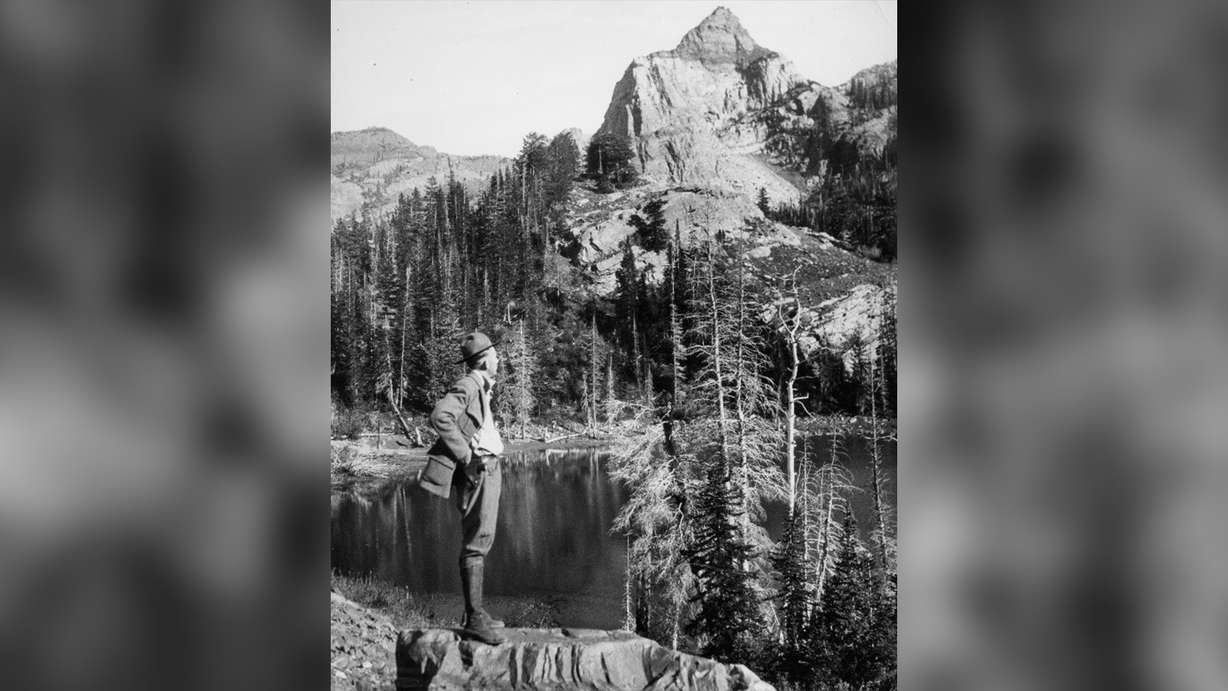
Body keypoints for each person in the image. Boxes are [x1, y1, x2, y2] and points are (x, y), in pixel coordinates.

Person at [427, 331, 506, 645]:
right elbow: (440, 416)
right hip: (480, 469)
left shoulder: (481, 387)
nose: (499, 360)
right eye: (496, 356)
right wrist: (467, 457)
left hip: (488, 467)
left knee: (482, 537)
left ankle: (476, 613)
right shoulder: (469, 384)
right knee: (477, 541)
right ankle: (474, 619)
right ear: (485, 359)